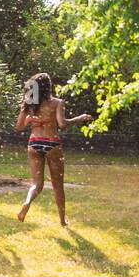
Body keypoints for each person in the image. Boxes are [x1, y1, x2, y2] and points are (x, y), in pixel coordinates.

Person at [15, 72, 92, 227]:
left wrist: (30, 119)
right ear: (48, 86)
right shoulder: (57, 103)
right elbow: (62, 124)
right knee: (58, 186)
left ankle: (27, 202)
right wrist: (80, 118)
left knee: (37, 184)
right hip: (52, 143)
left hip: (34, 143)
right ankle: (62, 221)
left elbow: (18, 127)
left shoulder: (29, 105)